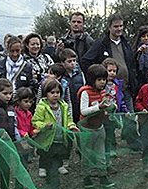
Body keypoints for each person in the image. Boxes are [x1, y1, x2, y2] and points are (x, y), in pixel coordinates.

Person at [81, 14, 140, 150]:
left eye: (121, 26)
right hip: (107, 89)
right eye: (116, 26)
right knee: (109, 119)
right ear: (109, 27)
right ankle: (110, 147)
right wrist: (95, 77)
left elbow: (131, 64)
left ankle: (133, 143)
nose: (119, 29)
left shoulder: (125, 43)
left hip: (125, 86)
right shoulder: (101, 43)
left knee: (129, 115)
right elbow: (85, 60)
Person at [32, 79, 79, 189]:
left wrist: (72, 126)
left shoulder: (63, 106)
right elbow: (35, 121)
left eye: (57, 92)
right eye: (52, 92)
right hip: (48, 141)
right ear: (46, 94)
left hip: (60, 140)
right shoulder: (42, 107)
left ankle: (51, 183)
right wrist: (44, 125)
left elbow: (68, 120)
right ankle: (54, 187)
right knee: (52, 164)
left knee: (57, 162)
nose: (55, 95)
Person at [78, 64, 115, 188]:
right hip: (86, 129)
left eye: (104, 79)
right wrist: (98, 107)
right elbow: (83, 111)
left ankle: (102, 175)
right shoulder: (85, 92)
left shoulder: (103, 92)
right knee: (86, 153)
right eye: (99, 80)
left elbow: (106, 108)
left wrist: (110, 107)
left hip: (99, 127)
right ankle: (86, 177)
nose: (102, 82)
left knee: (101, 153)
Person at [102, 58, 128, 158]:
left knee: (111, 131)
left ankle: (112, 148)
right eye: (109, 71)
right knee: (104, 131)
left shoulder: (117, 84)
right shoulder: (101, 84)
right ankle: (104, 149)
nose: (112, 73)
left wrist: (125, 109)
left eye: (114, 71)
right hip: (103, 112)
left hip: (114, 113)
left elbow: (121, 99)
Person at [59, 48, 85, 123]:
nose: (73, 63)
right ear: (63, 63)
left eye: (74, 60)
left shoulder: (80, 74)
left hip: (78, 104)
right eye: (69, 61)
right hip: (66, 105)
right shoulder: (61, 76)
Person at [14, 86, 35, 168]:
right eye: (26, 101)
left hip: (27, 139)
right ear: (19, 101)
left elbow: (30, 127)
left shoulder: (29, 113)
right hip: (18, 139)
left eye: (30, 102)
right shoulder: (14, 112)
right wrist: (22, 133)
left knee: (25, 157)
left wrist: (33, 132)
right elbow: (14, 126)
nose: (28, 104)